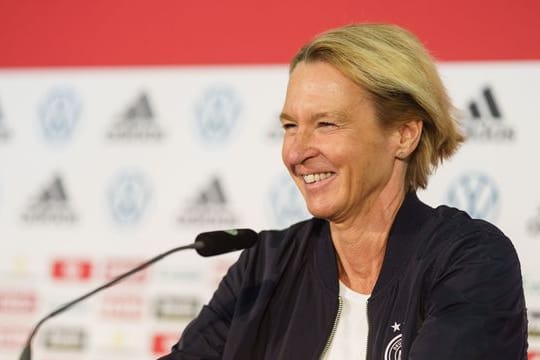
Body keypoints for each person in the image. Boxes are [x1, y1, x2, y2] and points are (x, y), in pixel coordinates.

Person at [159, 23, 528, 359]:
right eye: (290, 126)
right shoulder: (265, 265)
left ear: (404, 135)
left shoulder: (471, 260)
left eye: (326, 124)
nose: (297, 151)